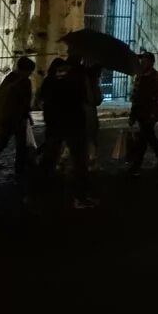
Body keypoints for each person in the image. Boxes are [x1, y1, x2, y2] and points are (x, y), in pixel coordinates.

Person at [38, 57, 93, 208]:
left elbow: (41, 100)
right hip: (74, 124)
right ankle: (80, 197)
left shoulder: (49, 82)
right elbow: (88, 99)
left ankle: (37, 193)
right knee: (79, 161)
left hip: (55, 125)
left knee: (49, 159)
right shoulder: (76, 82)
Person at [128, 52, 158, 175]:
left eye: (144, 61)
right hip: (140, 111)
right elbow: (135, 96)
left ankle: (137, 163)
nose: (142, 63)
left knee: (144, 136)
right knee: (149, 136)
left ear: (151, 62)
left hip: (152, 112)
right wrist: (132, 115)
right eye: (141, 61)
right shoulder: (139, 77)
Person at [0, 56, 36, 177]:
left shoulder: (10, 77)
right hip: (18, 117)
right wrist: (27, 115)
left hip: (7, 115)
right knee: (21, 145)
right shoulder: (25, 81)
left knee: (3, 141)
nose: (31, 73)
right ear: (26, 70)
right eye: (30, 71)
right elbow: (25, 101)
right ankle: (19, 169)